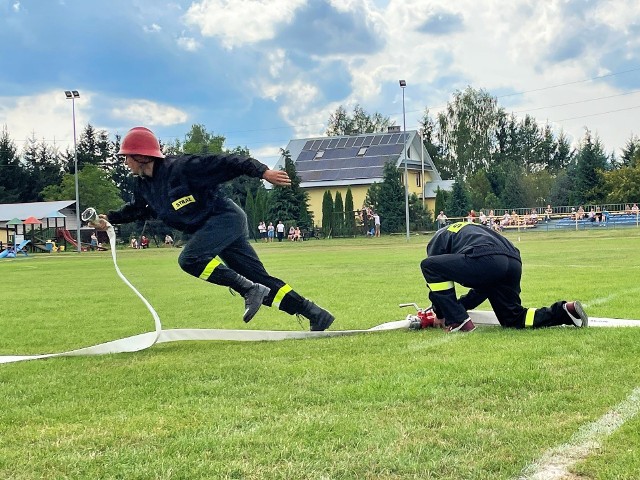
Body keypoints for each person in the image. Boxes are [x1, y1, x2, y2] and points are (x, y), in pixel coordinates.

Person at [92, 126, 334, 331]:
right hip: (212, 228)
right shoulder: (144, 185)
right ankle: (315, 314)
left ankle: (248, 289)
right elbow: (139, 209)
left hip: (225, 218)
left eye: (127, 157)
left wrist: (264, 172)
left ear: (142, 156)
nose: (125, 162)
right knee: (260, 280)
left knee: (190, 259)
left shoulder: (182, 167)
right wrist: (110, 219)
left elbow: (230, 162)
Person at [419, 221, 588, 332]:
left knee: (428, 266)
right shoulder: (466, 230)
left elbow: (436, 281)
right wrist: (459, 306)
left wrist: (441, 313)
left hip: (486, 257)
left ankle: (459, 322)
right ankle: (565, 311)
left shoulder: (436, 242)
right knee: (513, 317)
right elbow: (483, 288)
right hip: (512, 260)